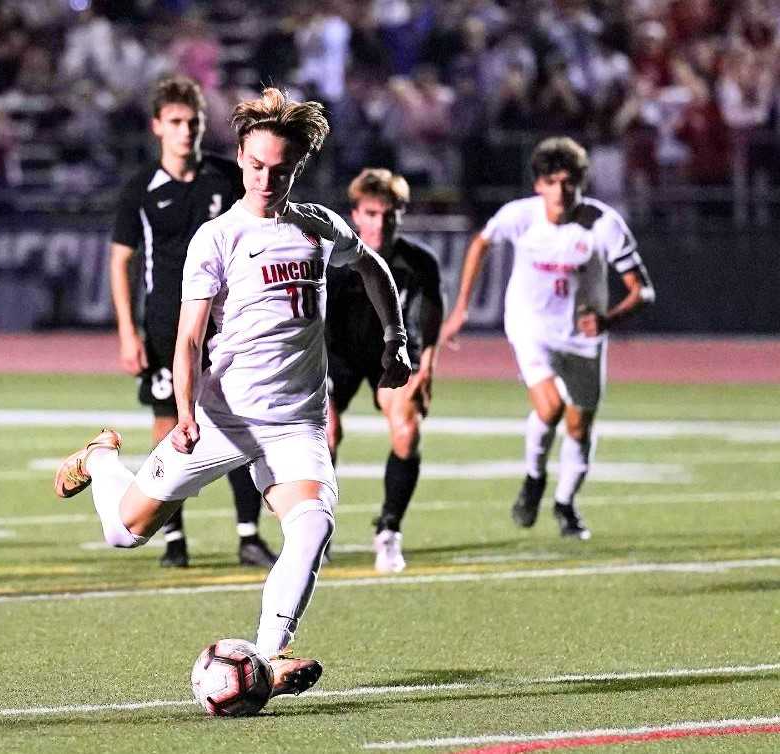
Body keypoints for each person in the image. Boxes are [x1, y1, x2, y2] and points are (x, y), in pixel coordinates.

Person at [55, 87, 410, 695]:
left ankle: (268, 659)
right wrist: (186, 411)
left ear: (299, 167)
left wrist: (395, 338)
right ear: (240, 157)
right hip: (223, 415)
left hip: (295, 424)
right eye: (255, 165)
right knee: (124, 531)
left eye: (282, 168)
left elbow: (373, 268)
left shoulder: (318, 226)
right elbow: (189, 337)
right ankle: (101, 456)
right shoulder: (216, 238)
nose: (267, 179)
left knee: (313, 525)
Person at [440, 136, 655, 539]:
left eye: (569, 181)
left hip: (583, 337)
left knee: (579, 427)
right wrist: (462, 307)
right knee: (551, 406)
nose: (562, 190)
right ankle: (534, 477)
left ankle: (565, 503)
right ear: (538, 185)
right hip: (530, 326)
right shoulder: (520, 216)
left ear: (580, 183)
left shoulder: (604, 225)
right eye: (553, 181)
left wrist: (608, 320)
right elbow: (480, 242)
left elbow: (642, 290)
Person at [110, 75, 277, 569]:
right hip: (166, 325)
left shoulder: (226, 177)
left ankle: (248, 535)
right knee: (170, 430)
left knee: (238, 423)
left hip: (226, 324)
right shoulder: (140, 189)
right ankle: (173, 540)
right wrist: (126, 330)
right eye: (177, 122)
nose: (186, 131)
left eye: (194, 122)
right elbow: (121, 259)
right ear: (157, 126)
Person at [325, 168, 443, 573]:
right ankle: (316, 527)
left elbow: (431, 316)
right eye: (372, 214)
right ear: (356, 214)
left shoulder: (419, 262)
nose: (380, 223)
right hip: (334, 356)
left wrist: (427, 367)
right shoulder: (333, 261)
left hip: (391, 355)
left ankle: (389, 530)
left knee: (407, 430)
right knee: (325, 433)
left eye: (389, 214)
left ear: (402, 214)